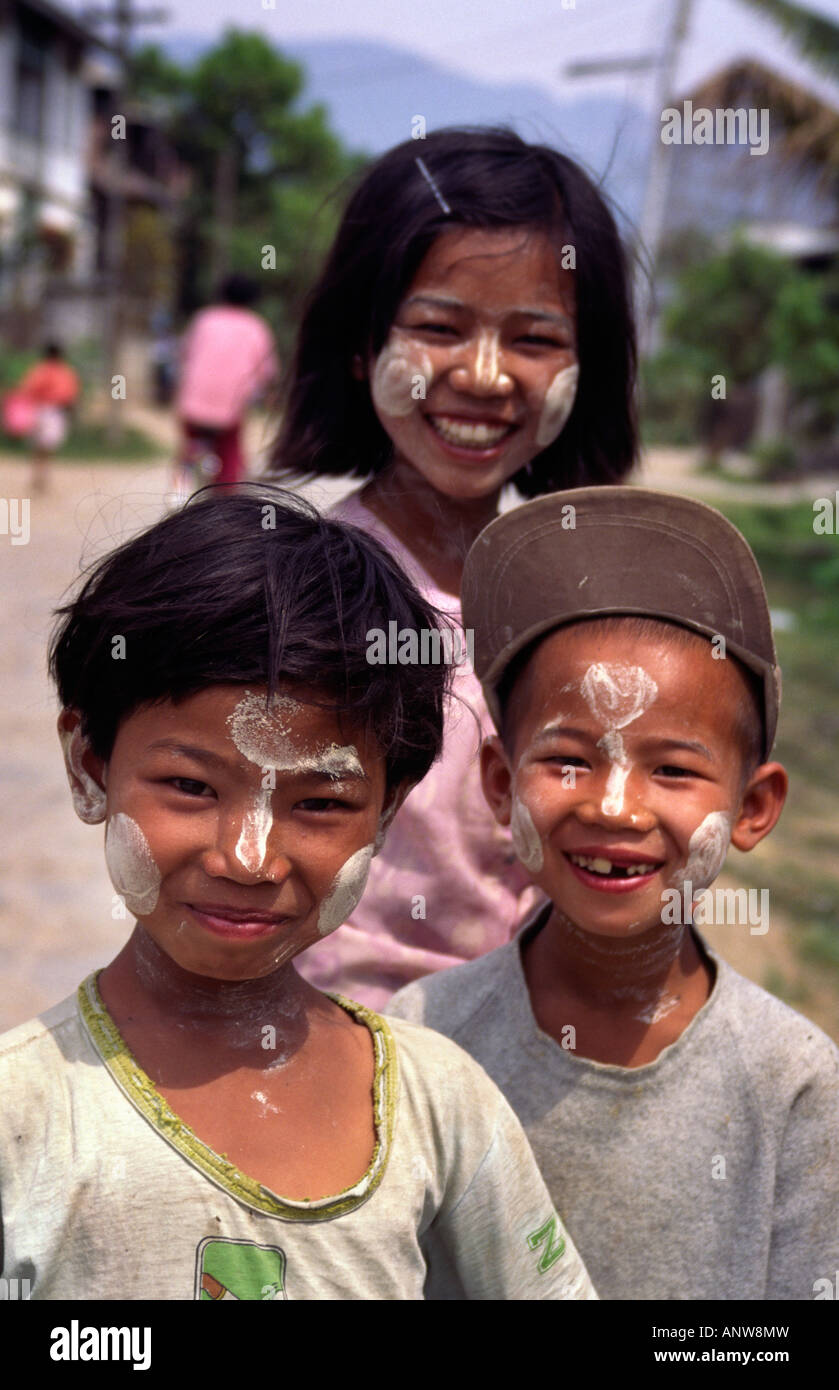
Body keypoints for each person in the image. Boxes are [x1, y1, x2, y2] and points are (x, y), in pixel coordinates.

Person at [0, 486, 595, 1302]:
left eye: (318, 804)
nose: (249, 859)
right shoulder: (20, 1118)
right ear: (89, 766)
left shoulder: (440, 1105)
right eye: (189, 786)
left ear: (387, 811)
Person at [388, 486, 839, 1301]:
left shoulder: (793, 1083)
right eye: (567, 760)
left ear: (754, 808)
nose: (613, 807)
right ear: (499, 783)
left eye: (671, 769)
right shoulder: (422, 1041)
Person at [267, 126, 638, 1009]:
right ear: (361, 349)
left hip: (529, 1045)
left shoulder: (596, 605)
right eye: (438, 327)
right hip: (331, 1039)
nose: (483, 375)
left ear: (585, 368)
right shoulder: (294, 589)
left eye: (534, 339)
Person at [173, 274, 279, 496]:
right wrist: (267, 395)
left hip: (194, 403)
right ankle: (224, 505)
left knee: (190, 450)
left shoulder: (204, 319)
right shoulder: (255, 327)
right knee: (229, 456)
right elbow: (266, 370)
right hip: (230, 409)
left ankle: (179, 493)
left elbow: (185, 354)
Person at [16, 342, 80, 493]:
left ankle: (38, 474)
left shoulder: (40, 370)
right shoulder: (65, 372)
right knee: (48, 446)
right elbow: (71, 395)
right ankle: (42, 475)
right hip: (54, 412)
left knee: (38, 446)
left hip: (39, 409)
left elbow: (28, 388)